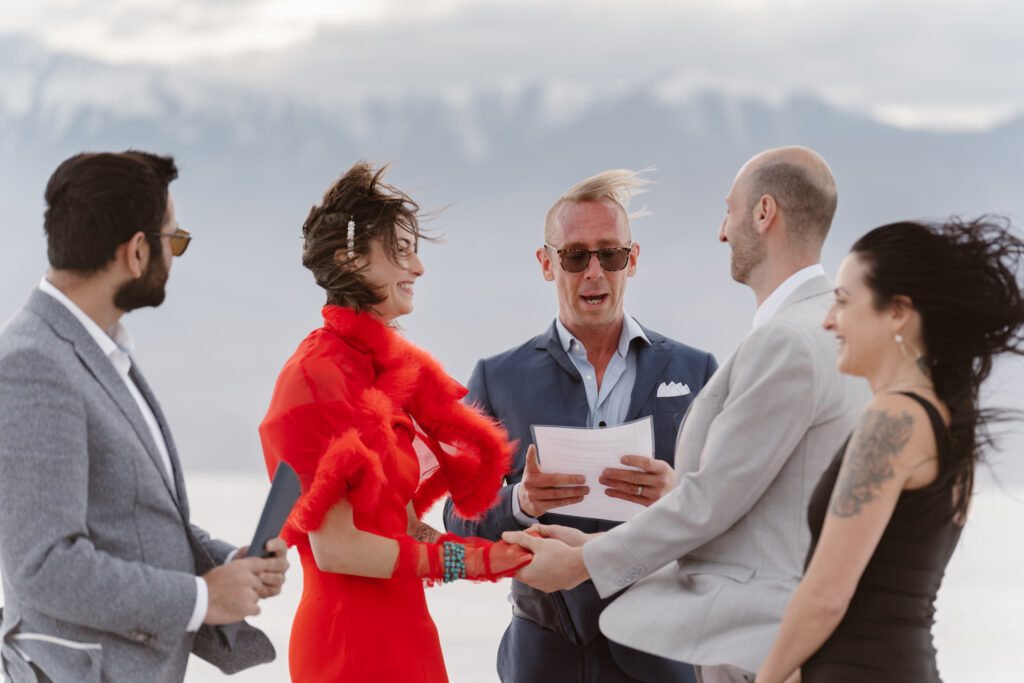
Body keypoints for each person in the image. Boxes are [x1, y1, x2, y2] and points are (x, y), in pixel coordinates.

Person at [504, 146, 871, 683]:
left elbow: (712, 503)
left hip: (757, 648)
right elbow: (756, 499)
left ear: (764, 213)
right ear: (547, 263)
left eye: (731, 209)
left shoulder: (784, 343)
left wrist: (585, 559)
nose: (723, 230)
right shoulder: (835, 328)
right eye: (575, 256)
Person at [0, 151, 288, 683]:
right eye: (172, 240)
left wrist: (228, 564)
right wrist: (201, 598)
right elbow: (44, 566)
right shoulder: (33, 365)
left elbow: (129, 516)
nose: (174, 257)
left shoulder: (100, 352)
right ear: (136, 251)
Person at [258, 161, 532, 683]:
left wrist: (504, 555)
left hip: (405, 628)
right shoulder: (314, 376)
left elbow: (401, 528)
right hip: (349, 646)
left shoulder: (379, 370)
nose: (420, 267)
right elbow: (337, 549)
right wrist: (470, 564)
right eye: (402, 249)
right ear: (349, 258)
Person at [443, 169, 718, 682]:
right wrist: (522, 503)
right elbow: (455, 521)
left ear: (632, 260)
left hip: (662, 655)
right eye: (575, 256)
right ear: (547, 264)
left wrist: (678, 494)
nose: (594, 272)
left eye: (609, 254)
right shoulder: (496, 378)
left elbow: (731, 510)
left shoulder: (696, 371)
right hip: (544, 655)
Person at [755, 217, 1024, 682]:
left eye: (842, 301)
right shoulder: (948, 419)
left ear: (897, 312)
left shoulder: (892, 420)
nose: (827, 320)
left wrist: (767, 678)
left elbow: (826, 594)